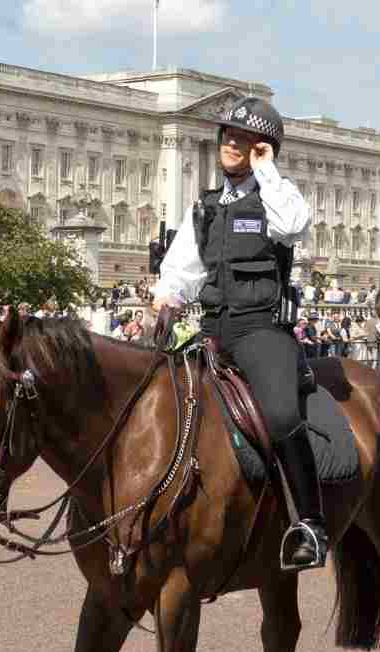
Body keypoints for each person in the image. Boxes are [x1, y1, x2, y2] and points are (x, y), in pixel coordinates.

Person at [151, 97, 325, 571]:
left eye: (244, 138)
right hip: (209, 328)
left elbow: (295, 225)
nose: (231, 142)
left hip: (259, 330)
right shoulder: (205, 208)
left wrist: (267, 170)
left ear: (263, 148)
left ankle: (310, 521)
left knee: (281, 411)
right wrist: (166, 297)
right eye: (227, 135)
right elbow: (182, 268)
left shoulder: (274, 198)